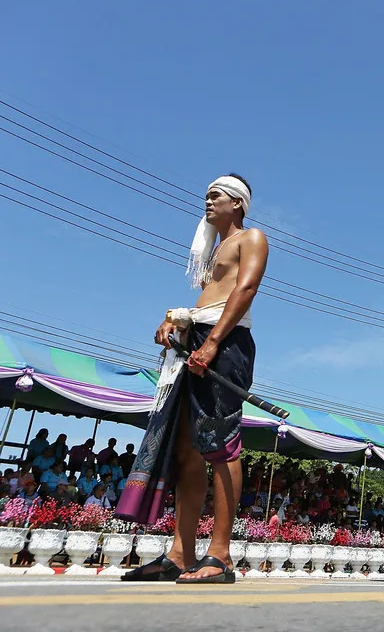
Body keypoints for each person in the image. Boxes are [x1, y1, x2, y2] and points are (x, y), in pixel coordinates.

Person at [118, 173, 268, 585]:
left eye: (215, 195)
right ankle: (180, 553)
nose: (207, 201)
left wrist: (214, 342)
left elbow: (246, 287)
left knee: (221, 446)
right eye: (206, 195)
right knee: (187, 449)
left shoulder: (251, 237)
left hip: (226, 339)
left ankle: (221, 555)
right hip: (198, 335)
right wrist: (174, 322)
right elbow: (206, 298)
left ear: (237, 203)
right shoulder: (214, 248)